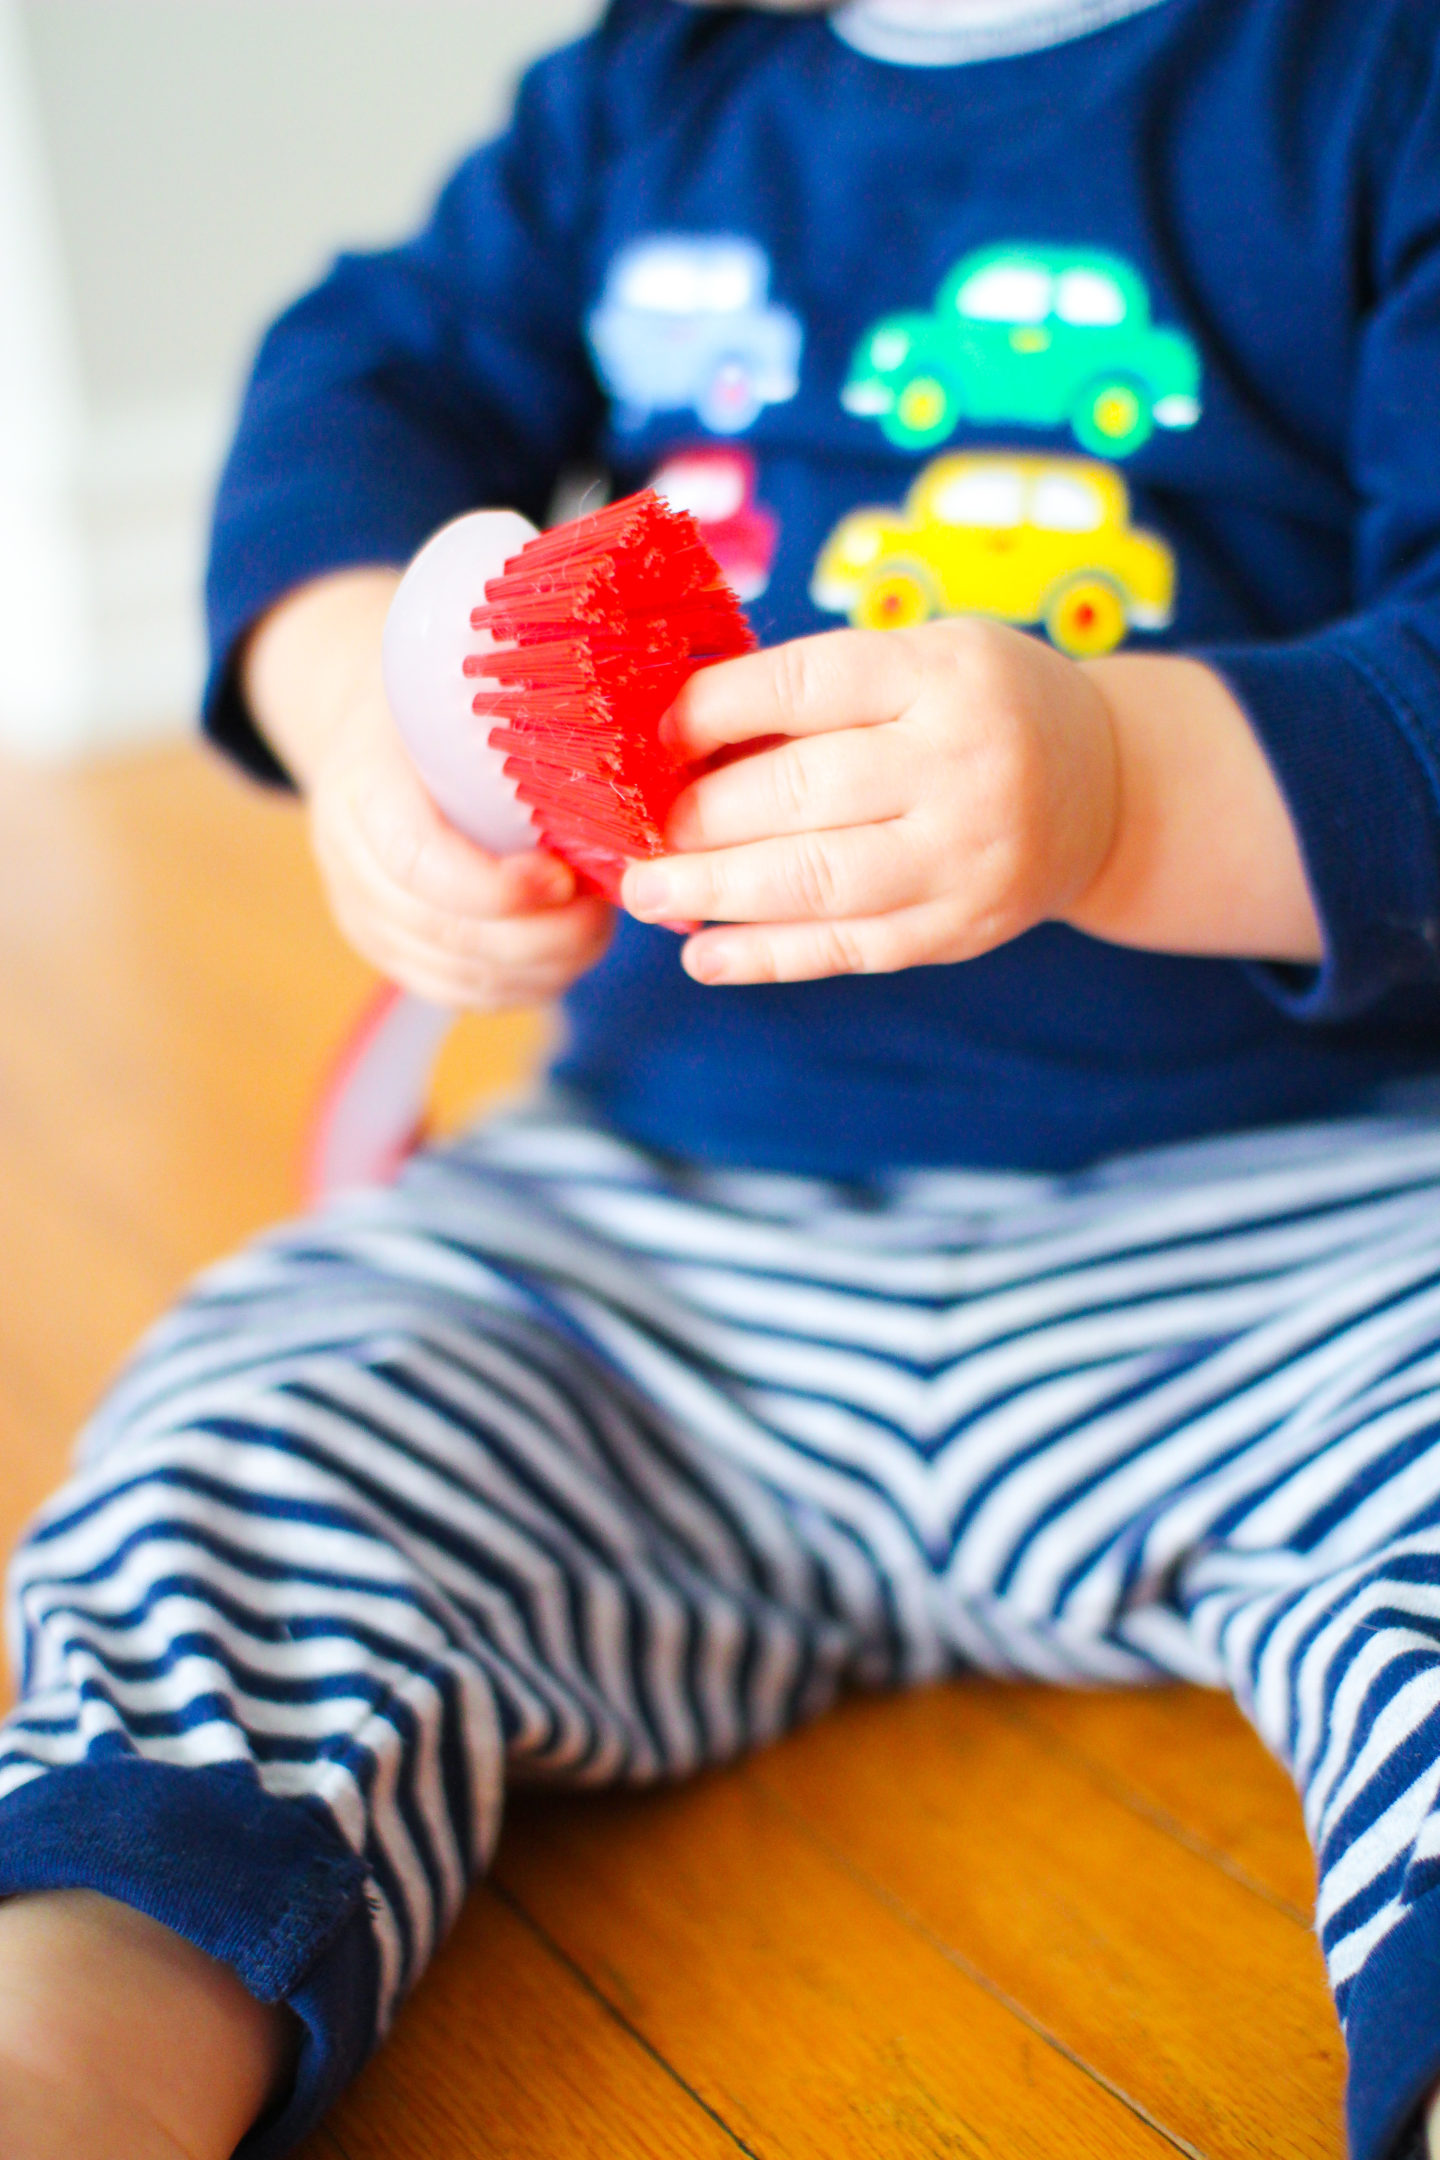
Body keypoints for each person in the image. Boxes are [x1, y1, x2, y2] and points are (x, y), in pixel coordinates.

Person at [2, 0, 1440, 2154]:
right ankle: (69, 2042)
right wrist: (357, 716)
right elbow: (356, 383)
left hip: (1300, 1232)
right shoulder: (650, 89)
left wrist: (1120, 786)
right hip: (657, 1249)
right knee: (259, 1448)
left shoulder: (1381, 79)